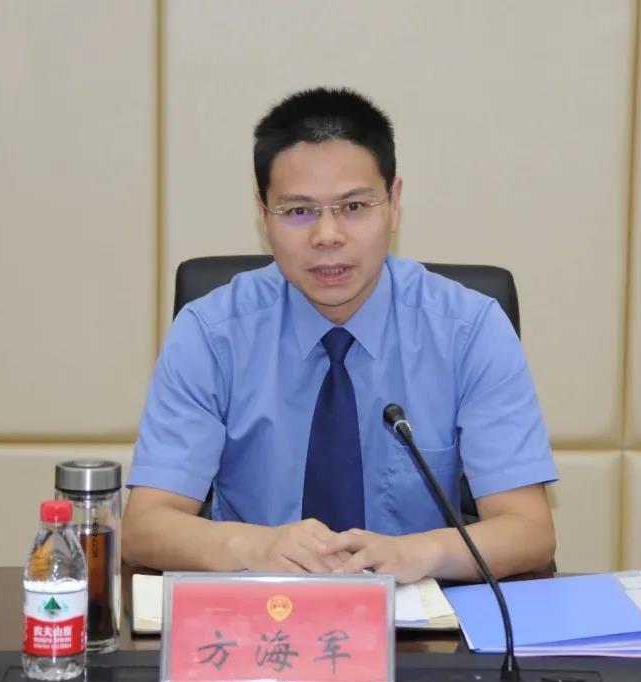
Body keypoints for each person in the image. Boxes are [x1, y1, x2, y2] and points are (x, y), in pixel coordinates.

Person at [122, 87, 557, 583]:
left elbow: (529, 530)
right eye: (298, 211)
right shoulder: (211, 333)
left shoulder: (469, 330)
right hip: (258, 612)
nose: (327, 235)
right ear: (263, 214)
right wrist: (256, 545)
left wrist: (418, 553)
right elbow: (144, 527)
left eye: (353, 206)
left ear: (394, 204)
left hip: (419, 618)